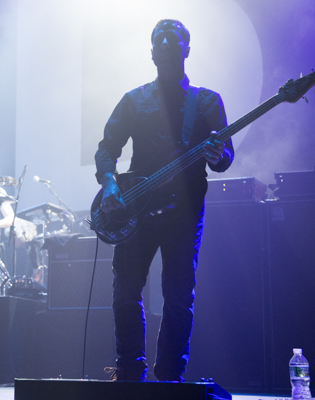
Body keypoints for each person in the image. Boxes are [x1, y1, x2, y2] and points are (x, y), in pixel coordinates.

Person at [94, 19, 235, 382]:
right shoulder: (134, 99)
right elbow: (107, 148)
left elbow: (225, 157)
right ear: (152, 51)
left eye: (174, 40)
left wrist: (218, 155)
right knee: (125, 291)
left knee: (178, 295)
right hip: (136, 208)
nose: (167, 46)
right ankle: (130, 371)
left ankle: (170, 377)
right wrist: (109, 184)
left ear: (187, 49)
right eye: (160, 41)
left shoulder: (207, 101)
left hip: (184, 212)